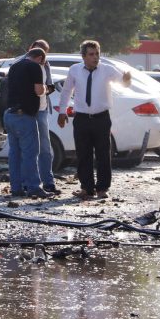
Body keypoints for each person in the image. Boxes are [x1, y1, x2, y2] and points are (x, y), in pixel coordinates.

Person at [57, 40, 132, 200]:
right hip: (82, 118)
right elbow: (66, 91)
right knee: (83, 154)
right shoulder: (75, 70)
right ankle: (86, 188)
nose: (95, 57)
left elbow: (124, 83)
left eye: (97, 53)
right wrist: (62, 112)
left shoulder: (107, 69)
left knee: (103, 154)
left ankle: (102, 188)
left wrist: (127, 79)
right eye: (91, 54)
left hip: (101, 118)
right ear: (83, 56)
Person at [3, 48, 51, 198]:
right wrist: (45, 89)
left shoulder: (14, 66)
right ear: (40, 58)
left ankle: (16, 188)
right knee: (30, 153)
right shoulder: (34, 66)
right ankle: (34, 187)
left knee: (14, 153)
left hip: (10, 114)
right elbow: (38, 90)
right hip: (24, 115)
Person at [21, 39, 58, 194]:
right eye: (38, 51)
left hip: (41, 110)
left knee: (45, 147)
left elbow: (50, 86)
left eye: (44, 53)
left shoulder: (46, 65)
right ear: (31, 49)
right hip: (26, 110)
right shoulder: (21, 64)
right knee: (27, 148)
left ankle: (48, 182)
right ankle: (27, 183)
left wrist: (43, 90)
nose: (41, 56)